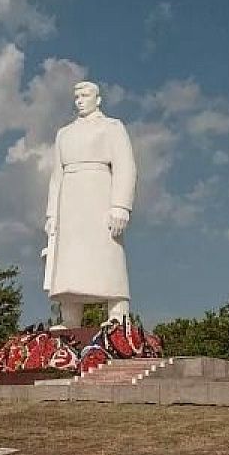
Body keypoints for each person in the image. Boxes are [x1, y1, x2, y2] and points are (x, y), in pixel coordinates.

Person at [44, 80, 136, 328]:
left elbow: (125, 167)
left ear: (98, 99)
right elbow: (56, 176)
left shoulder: (112, 127)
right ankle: (71, 317)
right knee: (70, 260)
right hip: (69, 203)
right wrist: (51, 214)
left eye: (85, 95)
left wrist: (120, 206)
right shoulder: (64, 133)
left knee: (108, 253)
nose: (80, 100)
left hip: (100, 197)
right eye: (77, 97)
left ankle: (118, 313)